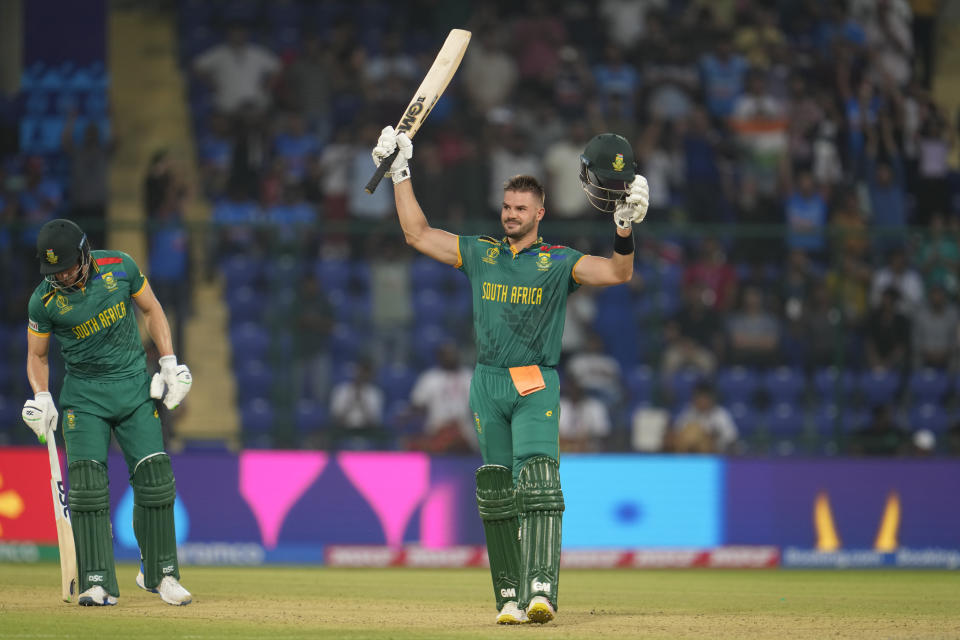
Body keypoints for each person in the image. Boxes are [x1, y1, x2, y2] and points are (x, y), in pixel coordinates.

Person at [372, 127, 648, 625]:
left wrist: (624, 230)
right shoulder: (481, 253)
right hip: (488, 382)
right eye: (506, 207)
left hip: (534, 380)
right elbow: (417, 233)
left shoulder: (558, 261)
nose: (510, 215)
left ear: (539, 214)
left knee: (538, 477)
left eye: (520, 208)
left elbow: (618, 274)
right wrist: (400, 171)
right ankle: (509, 597)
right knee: (497, 489)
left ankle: (541, 588)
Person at [21, 219, 192, 606]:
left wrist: (168, 362)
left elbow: (152, 310)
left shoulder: (120, 265)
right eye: (54, 271)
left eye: (67, 266)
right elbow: (37, 356)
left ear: (84, 252)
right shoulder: (43, 301)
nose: (61, 276)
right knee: (86, 487)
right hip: (83, 398)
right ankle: (96, 580)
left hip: (133, 386)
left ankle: (160, 575)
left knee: (155, 478)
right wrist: (42, 397)